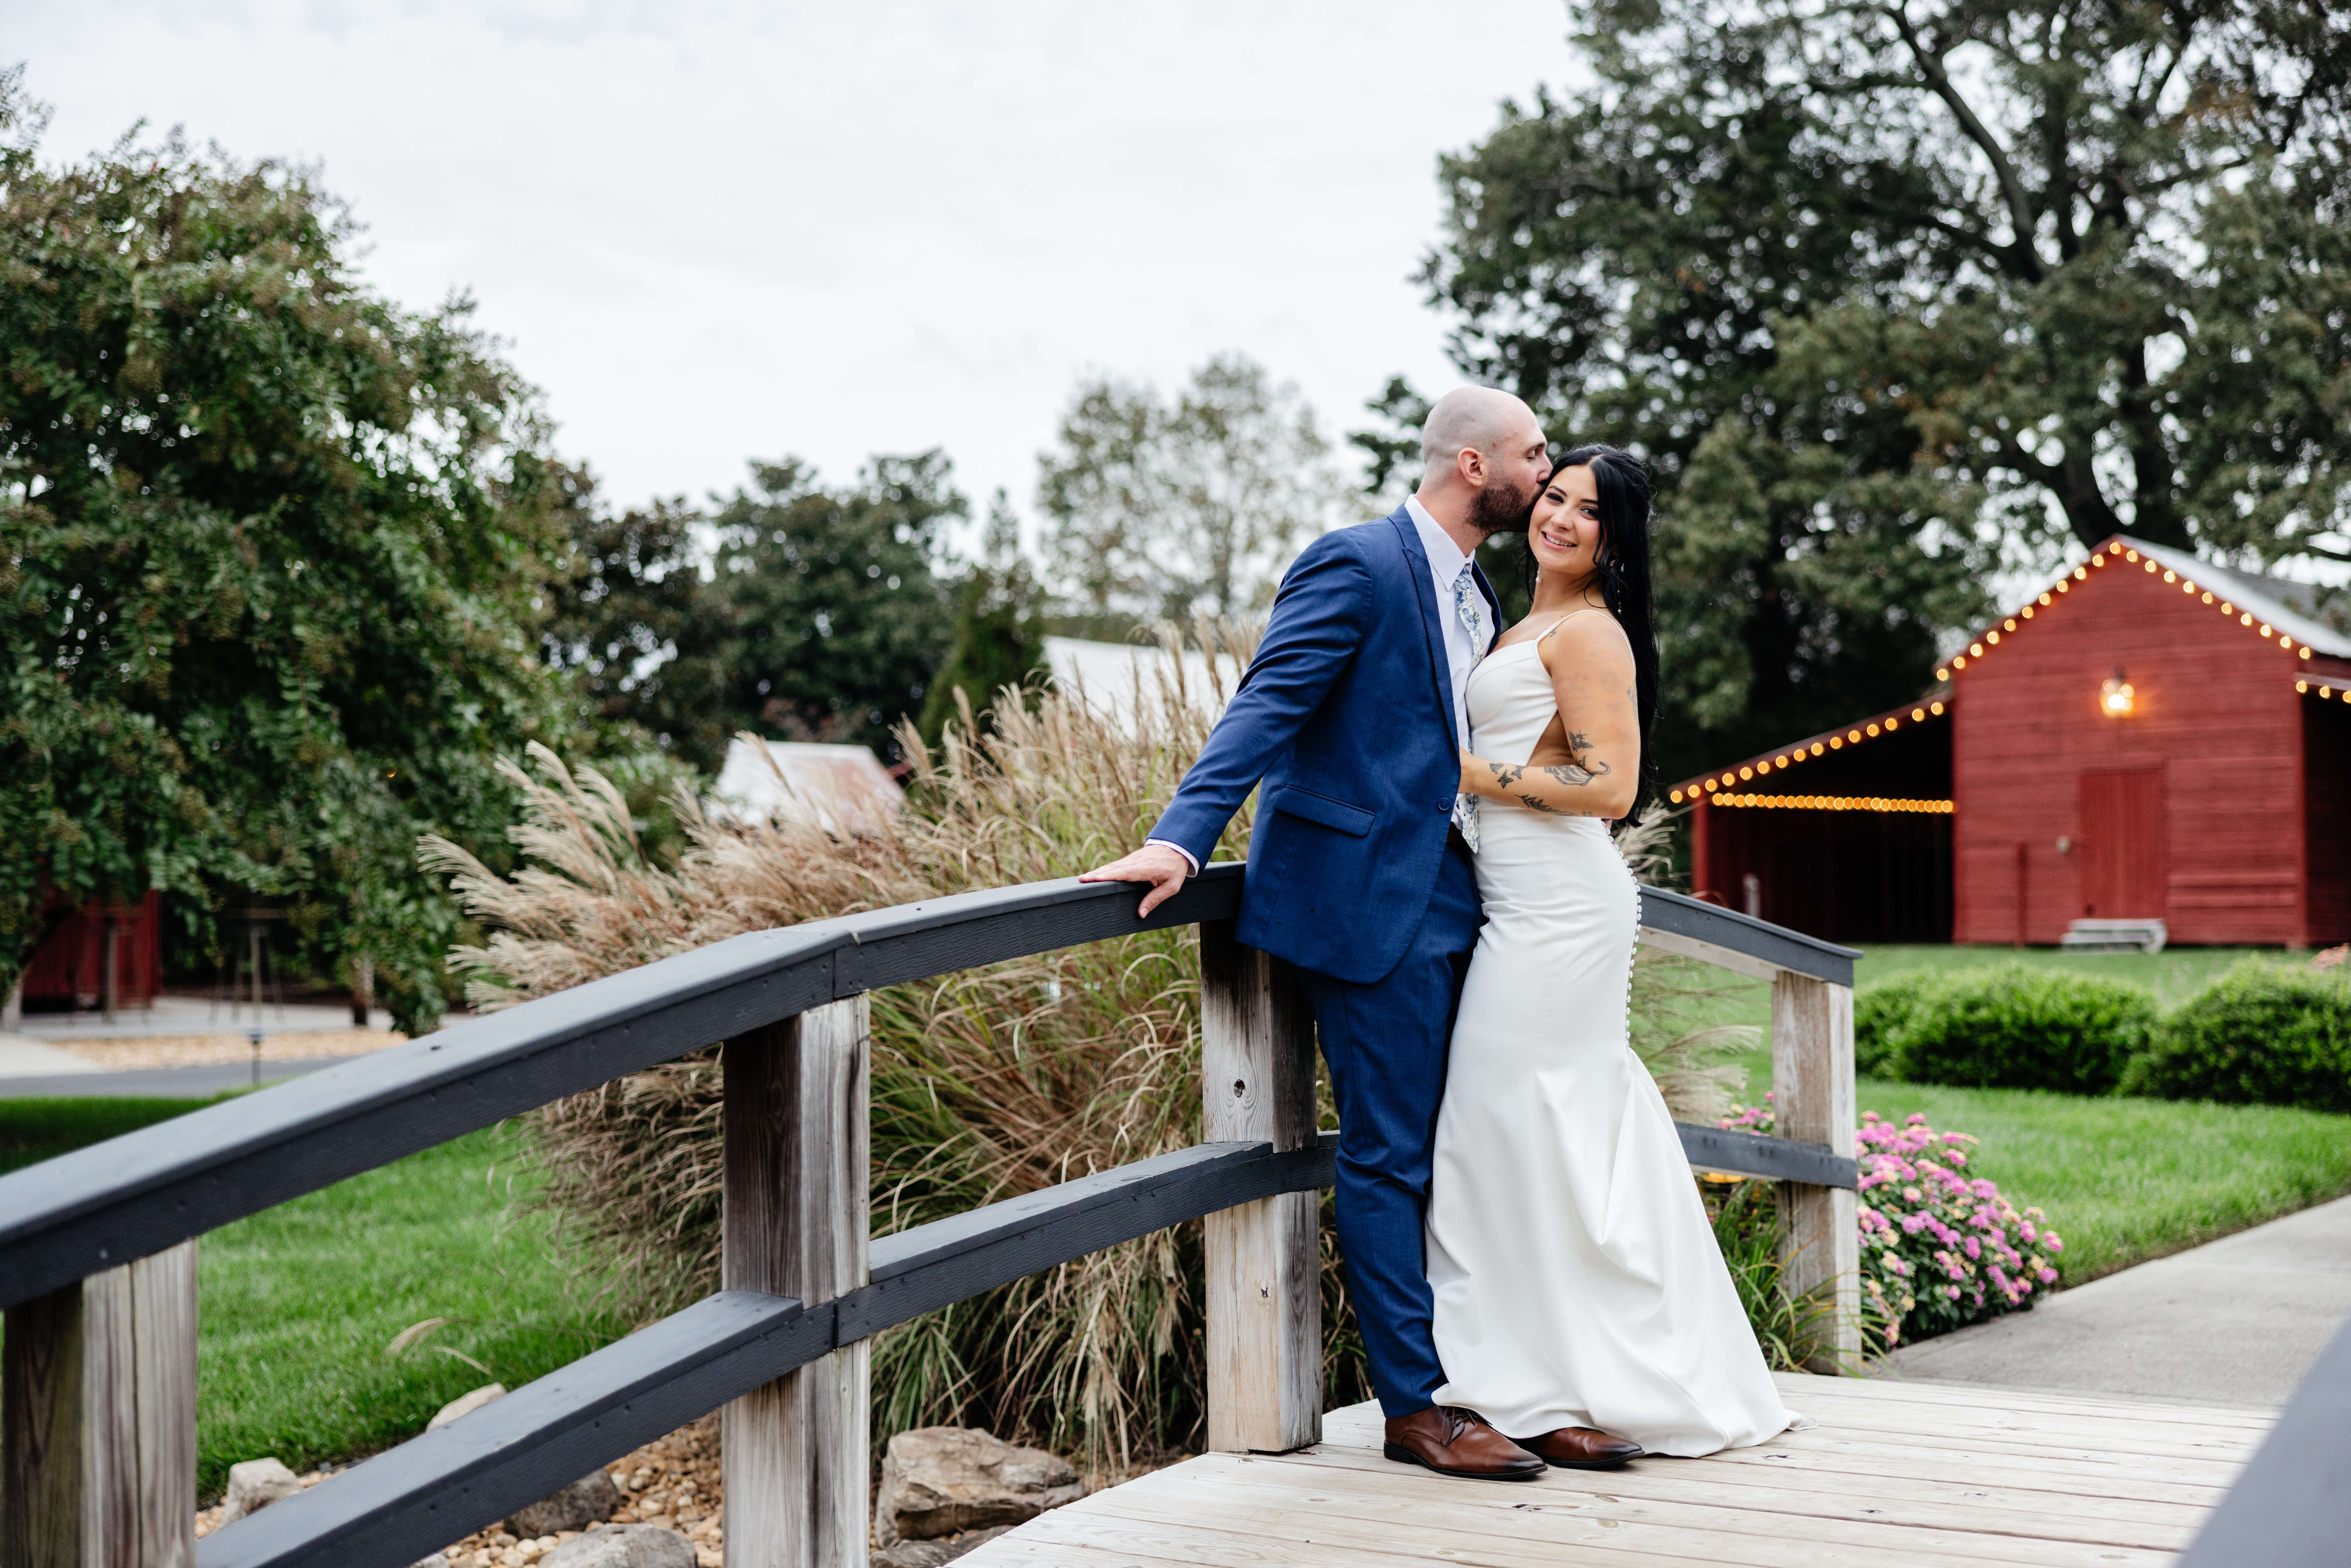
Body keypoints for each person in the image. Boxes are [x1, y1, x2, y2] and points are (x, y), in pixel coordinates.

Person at [1081, 385, 1555, 1481]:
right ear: (1475, 467)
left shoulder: (1479, 591)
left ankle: (1507, 1377)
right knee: (1388, 1151)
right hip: (1368, 904)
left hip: (1466, 896)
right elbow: (1269, 704)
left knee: (1466, 1145)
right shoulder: (1358, 563)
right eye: (1532, 453)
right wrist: (1182, 840)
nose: (1547, 468)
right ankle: (1418, 1407)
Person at [1430, 445, 1803, 1466]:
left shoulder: (1590, 632)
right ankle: (1547, 1373)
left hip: (1561, 907)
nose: (1559, 518)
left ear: (1613, 538)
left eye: (1587, 512)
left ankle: (1555, 1379)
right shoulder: (1516, 623)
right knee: (1520, 1127)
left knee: (1508, 1120)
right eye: (1554, 497)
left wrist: (1466, 771)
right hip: (1513, 900)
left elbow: (1610, 788)